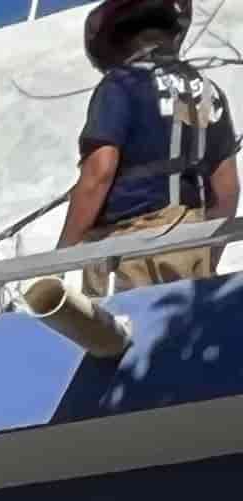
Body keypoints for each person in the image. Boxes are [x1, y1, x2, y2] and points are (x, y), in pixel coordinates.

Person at [63, 0, 235, 295]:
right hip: (193, 240)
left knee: (124, 336)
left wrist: (60, 255)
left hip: (131, 249)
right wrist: (205, 250)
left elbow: (99, 173)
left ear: (118, 43)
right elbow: (228, 189)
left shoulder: (122, 84)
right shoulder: (210, 91)